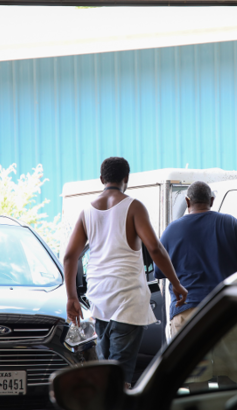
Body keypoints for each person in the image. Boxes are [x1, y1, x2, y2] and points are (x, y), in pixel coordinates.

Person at [64, 157, 187, 387]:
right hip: (128, 300)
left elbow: (70, 256)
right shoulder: (134, 207)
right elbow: (155, 248)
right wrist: (176, 284)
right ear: (126, 179)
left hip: (99, 300)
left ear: (102, 179)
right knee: (120, 377)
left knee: (106, 372)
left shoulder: (86, 212)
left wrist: (71, 297)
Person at [155, 180, 237, 387]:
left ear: (187, 201)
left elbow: (159, 272)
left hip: (188, 313)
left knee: (194, 377)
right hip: (227, 312)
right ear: (211, 200)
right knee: (228, 377)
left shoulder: (171, 231)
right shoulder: (231, 224)